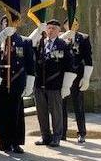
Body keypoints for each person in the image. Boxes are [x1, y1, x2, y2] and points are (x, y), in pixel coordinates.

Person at [0, 16, 35, 154]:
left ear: (16, 24)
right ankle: (4, 142)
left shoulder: (24, 41)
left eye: (9, 22)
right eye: (4, 22)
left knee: (16, 113)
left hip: (16, 82)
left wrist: (29, 84)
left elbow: (30, 65)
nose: (6, 24)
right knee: (1, 113)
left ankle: (16, 142)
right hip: (0, 82)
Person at [32, 19, 76, 147]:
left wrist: (66, 86)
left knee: (56, 112)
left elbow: (69, 66)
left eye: (53, 29)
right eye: (49, 28)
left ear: (58, 31)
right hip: (40, 83)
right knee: (41, 112)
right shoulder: (40, 43)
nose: (50, 31)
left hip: (55, 84)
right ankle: (45, 136)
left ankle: (57, 136)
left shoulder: (63, 45)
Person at [60, 20, 93, 143]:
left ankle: (81, 133)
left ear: (78, 25)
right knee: (61, 106)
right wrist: (64, 36)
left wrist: (86, 77)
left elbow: (88, 58)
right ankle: (61, 133)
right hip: (63, 76)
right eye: (69, 23)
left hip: (77, 76)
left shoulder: (83, 38)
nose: (72, 26)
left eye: (74, 23)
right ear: (64, 26)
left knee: (78, 105)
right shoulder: (61, 38)